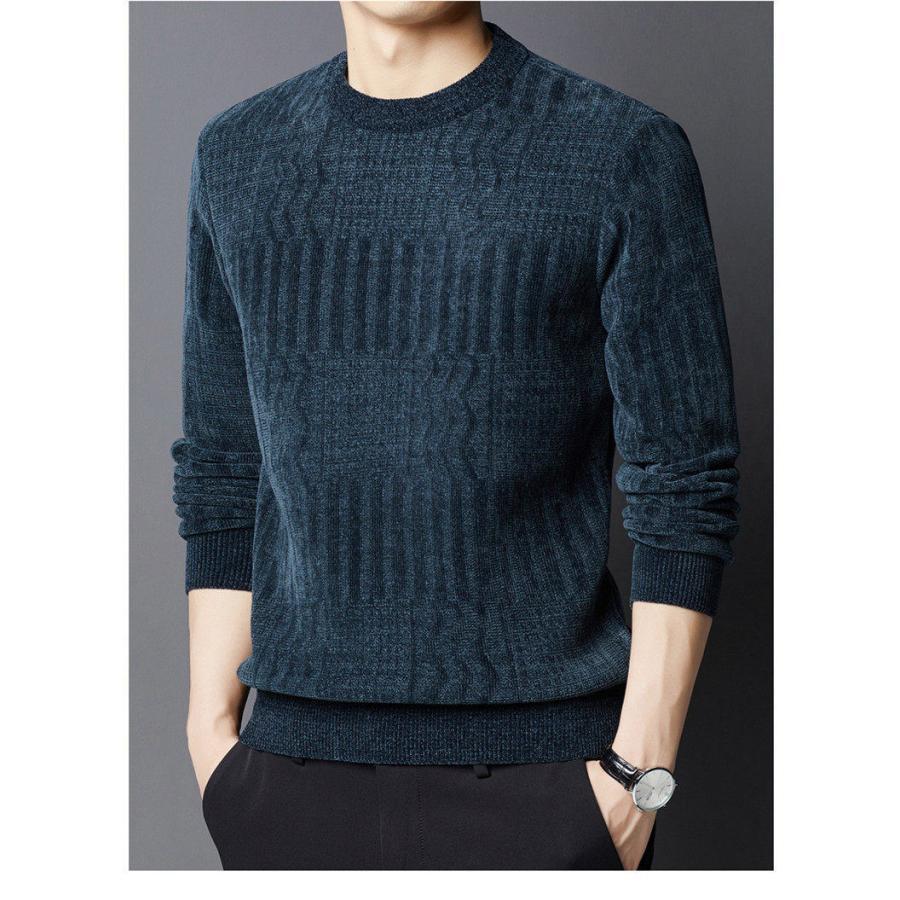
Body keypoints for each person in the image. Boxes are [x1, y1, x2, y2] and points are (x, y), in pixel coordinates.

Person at [172, 0, 739, 870]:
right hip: (287, 778)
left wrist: (639, 778)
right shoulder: (237, 155)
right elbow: (223, 463)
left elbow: (686, 478)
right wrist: (211, 737)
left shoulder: (620, 152)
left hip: (548, 784)